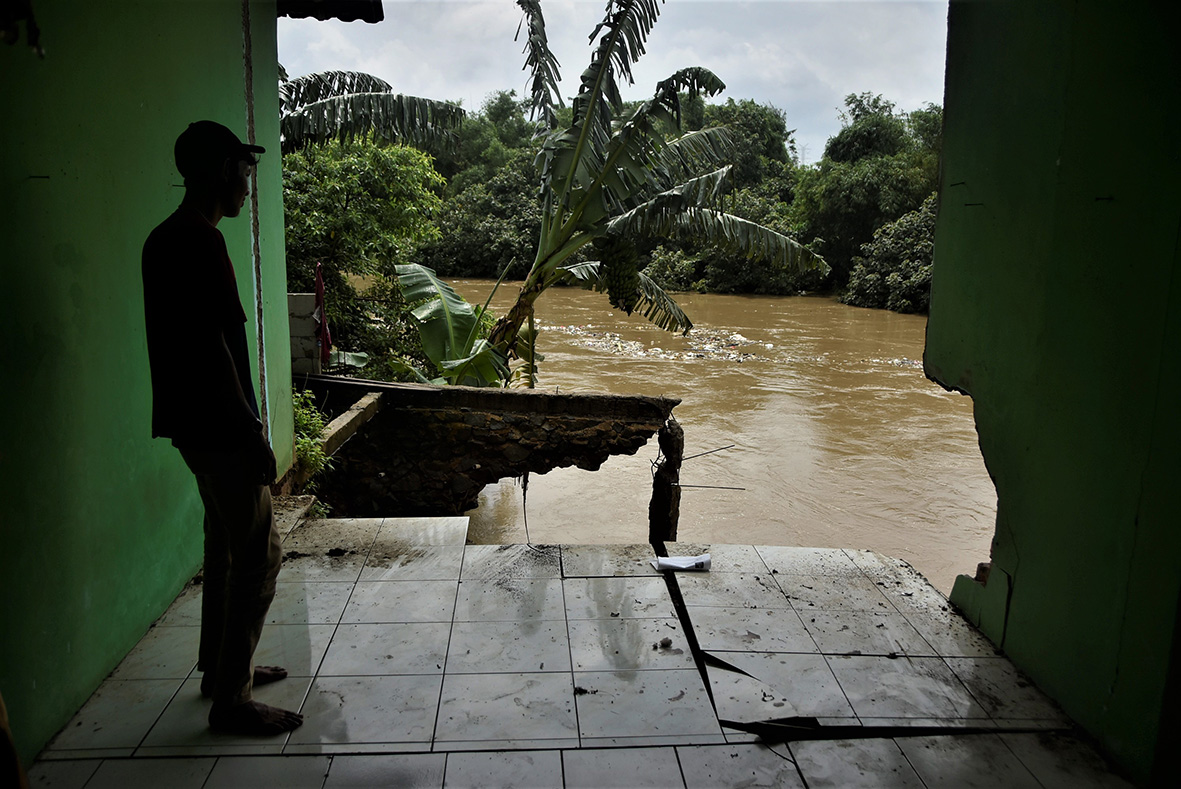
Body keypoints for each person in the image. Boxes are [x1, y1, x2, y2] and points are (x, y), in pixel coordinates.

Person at [141, 121, 302, 736]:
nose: (246, 184)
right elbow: (214, 350)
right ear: (216, 173)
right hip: (219, 423)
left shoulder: (163, 238)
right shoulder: (201, 244)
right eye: (241, 170)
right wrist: (252, 431)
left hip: (188, 422)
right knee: (261, 554)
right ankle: (231, 700)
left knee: (225, 543)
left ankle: (217, 666)